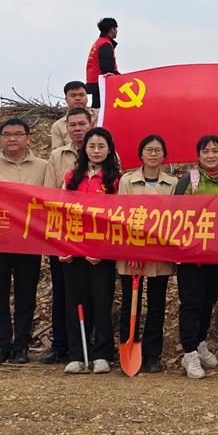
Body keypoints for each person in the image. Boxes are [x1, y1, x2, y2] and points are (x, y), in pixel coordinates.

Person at [174, 134, 218, 379]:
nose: (211, 155)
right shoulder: (189, 180)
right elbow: (174, 213)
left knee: (209, 300)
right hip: (191, 254)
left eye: (215, 151)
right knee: (191, 301)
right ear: (198, 155)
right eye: (205, 151)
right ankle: (189, 352)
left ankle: (200, 342)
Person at [0, 118, 48, 366]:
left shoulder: (42, 166)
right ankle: (1, 345)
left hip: (30, 240)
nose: (12, 138)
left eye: (18, 134)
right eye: (7, 134)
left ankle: (22, 345)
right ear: (1, 138)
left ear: (28, 137)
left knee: (26, 294)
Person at [60, 127, 121, 373]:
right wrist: (62, 246)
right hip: (73, 249)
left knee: (102, 301)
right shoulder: (71, 177)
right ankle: (76, 354)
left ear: (109, 150)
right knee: (76, 302)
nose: (96, 151)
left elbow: (120, 218)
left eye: (101, 146)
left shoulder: (115, 179)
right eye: (92, 146)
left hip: (101, 252)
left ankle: (102, 354)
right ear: (84, 149)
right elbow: (60, 213)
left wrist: (104, 250)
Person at [116, 135, 176, 374]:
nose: (153, 154)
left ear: (164, 155)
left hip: (160, 253)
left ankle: (152, 354)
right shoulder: (127, 181)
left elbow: (176, 218)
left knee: (156, 304)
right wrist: (131, 249)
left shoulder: (173, 184)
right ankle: (127, 346)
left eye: (157, 150)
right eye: (148, 150)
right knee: (129, 304)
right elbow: (121, 215)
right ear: (140, 154)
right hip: (131, 253)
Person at [40, 107, 92, 364]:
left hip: (95, 234)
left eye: (82, 124)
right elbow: (49, 194)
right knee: (62, 291)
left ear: (91, 125)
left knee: (94, 290)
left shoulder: (104, 151)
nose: (77, 129)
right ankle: (61, 345)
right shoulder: (57, 155)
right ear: (67, 128)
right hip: (64, 232)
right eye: (73, 125)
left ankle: (92, 345)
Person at [85, 17, 120, 108]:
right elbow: (107, 67)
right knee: (101, 108)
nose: (117, 31)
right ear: (112, 29)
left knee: (97, 107)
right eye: (116, 28)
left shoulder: (98, 42)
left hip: (94, 81)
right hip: (100, 82)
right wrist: (121, 78)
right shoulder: (105, 44)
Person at [50, 81, 95, 149]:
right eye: (73, 95)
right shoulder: (58, 126)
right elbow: (57, 153)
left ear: (87, 97)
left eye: (81, 95)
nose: (78, 98)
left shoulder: (101, 115)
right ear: (66, 99)